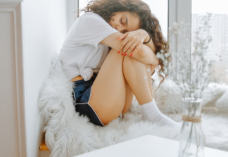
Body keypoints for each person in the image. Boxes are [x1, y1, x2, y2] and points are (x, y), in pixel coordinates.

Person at [59, 0, 180, 129]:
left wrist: (144, 37)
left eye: (126, 31)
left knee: (131, 49)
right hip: (85, 102)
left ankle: (151, 113)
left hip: (109, 101)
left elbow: (145, 54)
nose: (119, 29)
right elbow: (141, 52)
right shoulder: (89, 21)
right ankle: (153, 115)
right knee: (127, 49)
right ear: (117, 7)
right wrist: (147, 45)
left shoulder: (110, 37)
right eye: (122, 21)